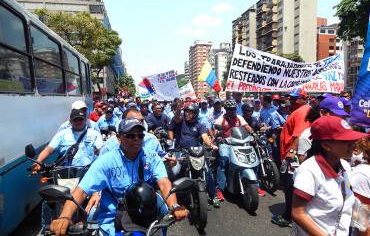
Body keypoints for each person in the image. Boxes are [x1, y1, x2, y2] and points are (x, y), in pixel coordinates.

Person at [49, 118, 188, 236]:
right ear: (119, 137)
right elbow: (81, 190)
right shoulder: (106, 161)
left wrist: (174, 206)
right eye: (131, 135)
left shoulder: (151, 157)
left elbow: (164, 183)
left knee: (164, 218)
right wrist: (65, 217)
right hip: (114, 219)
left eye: (140, 135)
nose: (136, 139)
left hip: (147, 217)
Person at [291, 116, 368, 236]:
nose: (353, 144)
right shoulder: (309, 171)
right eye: (346, 141)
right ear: (327, 145)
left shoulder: (344, 166)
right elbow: (297, 213)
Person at [272, 87, 311, 227]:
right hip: (292, 154)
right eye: (291, 98)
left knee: (290, 186)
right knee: (291, 185)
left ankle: (288, 217)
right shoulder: (301, 110)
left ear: (303, 99)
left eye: (295, 99)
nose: (291, 101)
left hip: (292, 156)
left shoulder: (302, 111)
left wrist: (292, 152)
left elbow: (299, 135)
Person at [33, 109, 103, 170]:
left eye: (80, 119)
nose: (78, 122)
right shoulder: (62, 134)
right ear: (70, 121)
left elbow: (101, 149)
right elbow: (49, 149)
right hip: (66, 172)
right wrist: (38, 161)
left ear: (85, 120)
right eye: (75, 119)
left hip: (87, 172)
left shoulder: (94, 134)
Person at [214, 99, 253, 201]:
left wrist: (252, 133)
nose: (233, 111)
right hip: (225, 144)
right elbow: (215, 131)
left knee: (250, 159)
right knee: (224, 161)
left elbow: (246, 126)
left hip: (239, 143)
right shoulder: (221, 119)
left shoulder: (239, 118)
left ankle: (254, 184)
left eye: (234, 109)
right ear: (226, 109)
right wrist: (218, 134)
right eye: (230, 109)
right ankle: (219, 189)